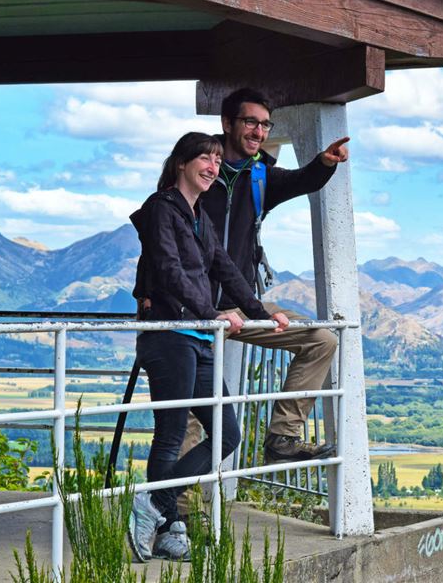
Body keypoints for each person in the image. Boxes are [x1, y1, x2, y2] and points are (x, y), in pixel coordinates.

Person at [127, 132, 289, 562]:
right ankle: (164, 518)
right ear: (182, 162)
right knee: (171, 436)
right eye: (205, 158)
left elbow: (226, 268)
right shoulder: (162, 210)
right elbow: (167, 270)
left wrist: (259, 313)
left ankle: (154, 506)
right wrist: (210, 313)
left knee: (227, 432)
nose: (214, 167)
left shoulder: (201, 217)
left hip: (198, 338)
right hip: (170, 337)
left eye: (218, 160)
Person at [196, 87, 349, 464]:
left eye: (265, 125)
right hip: (193, 308)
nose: (259, 132)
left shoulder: (260, 175)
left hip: (241, 305)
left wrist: (324, 163)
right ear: (227, 123)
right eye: (251, 122)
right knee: (190, 415)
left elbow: (301, 181)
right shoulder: (197, 169)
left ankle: (282, 440)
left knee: (321, 340)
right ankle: (180, 513)